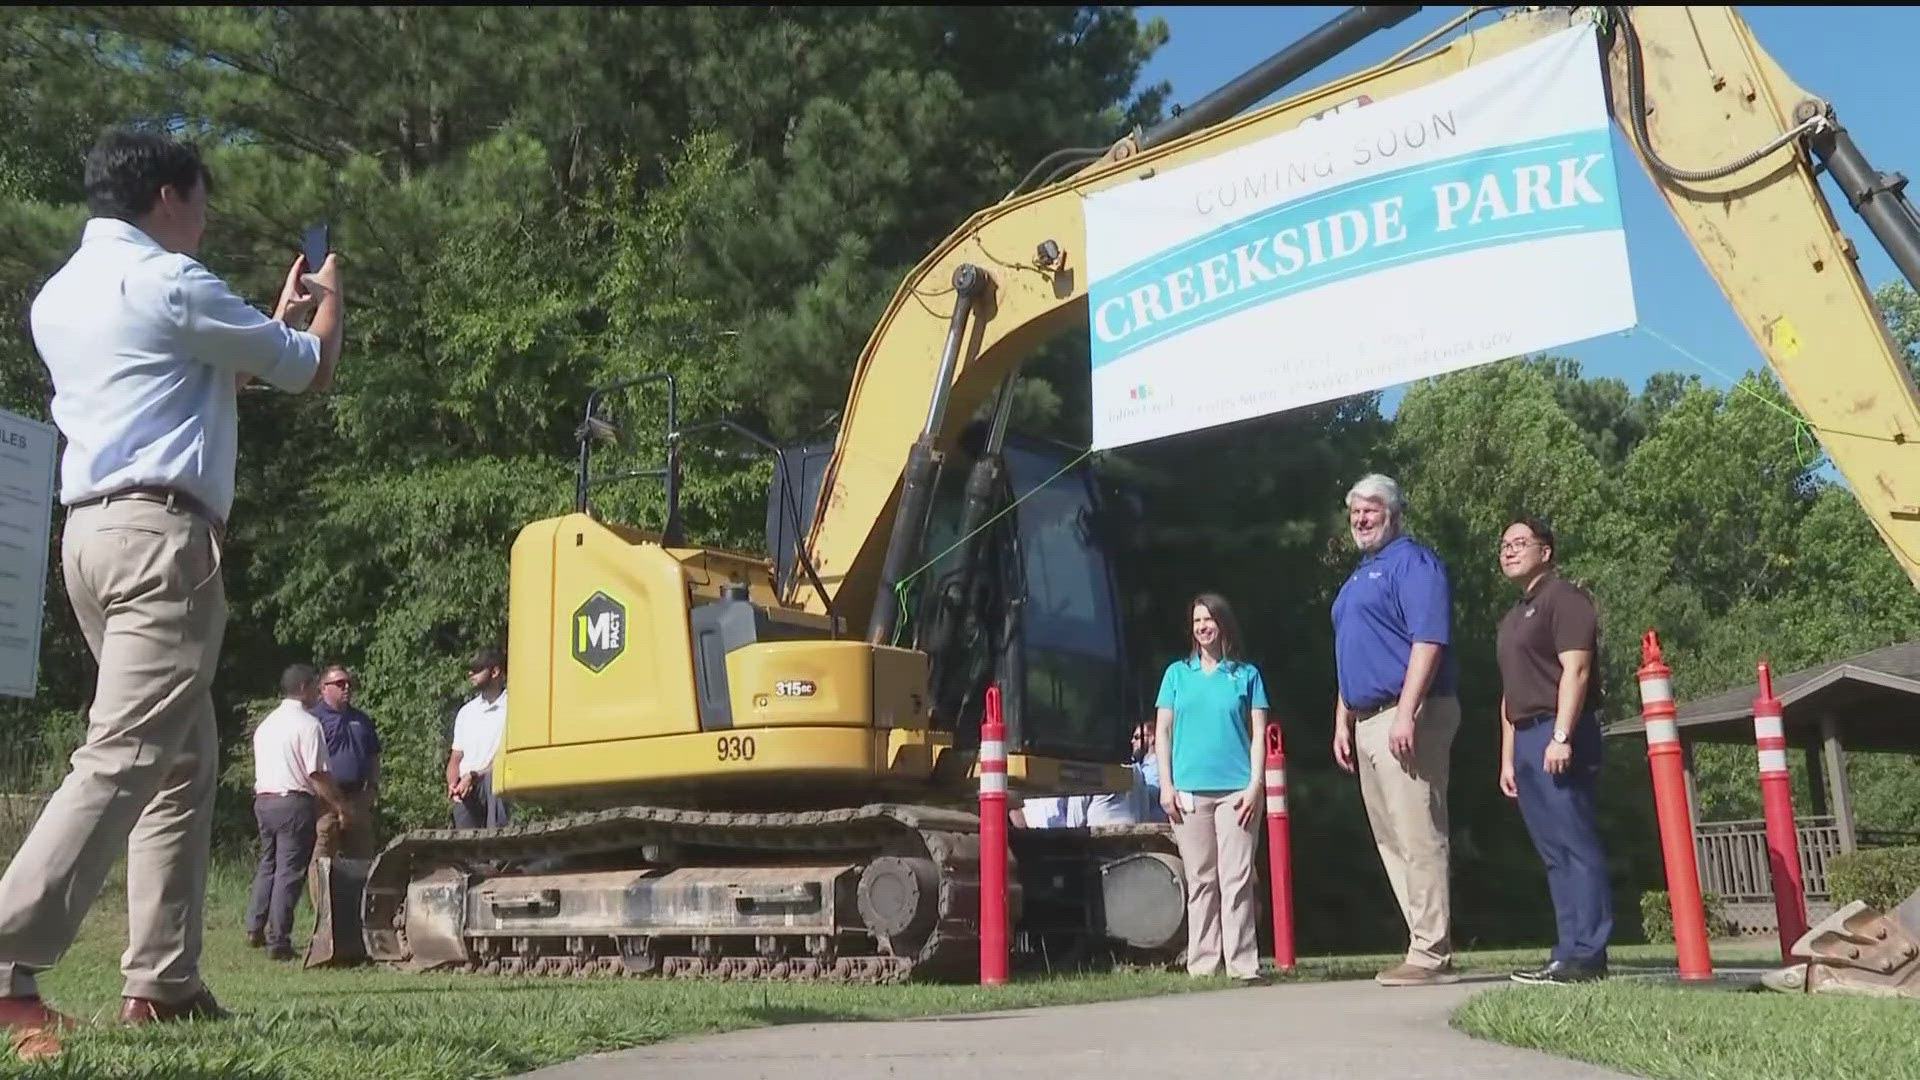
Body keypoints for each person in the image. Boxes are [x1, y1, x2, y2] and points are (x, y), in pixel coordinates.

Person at [0, 126, 344, 1055]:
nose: (205, 214)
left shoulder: (62, 292)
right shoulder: (169, 281)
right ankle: (6, 966)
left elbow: (200, 375)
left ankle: (165, 981)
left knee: (183, 754)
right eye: (200, 196)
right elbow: (308, 366)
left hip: (91, 538)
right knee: (122, 753)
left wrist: (263, 324)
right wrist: (326, 308)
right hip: (163, 542)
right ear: (166, 196)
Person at [1330, 474, 1462, 988]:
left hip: (1407, 713)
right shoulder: (1360, 575)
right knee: (1392, 840)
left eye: (1371, 510)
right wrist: (1341, 718)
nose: (1361, 520)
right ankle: (1425, 944)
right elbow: (1352, 653)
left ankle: (1430, 952)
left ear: (1394, 512)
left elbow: (1428, 641)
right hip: (1366, 719)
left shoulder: (1413, 563)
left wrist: (1407, 711)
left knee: (1418, 833)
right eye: (1355, 512)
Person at [1494, 517, 1613, 985]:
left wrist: (1561, 736)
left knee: (1576, 843)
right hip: (1525, 739)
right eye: (1504, 545)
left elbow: (1576, 672)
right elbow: (1510, 694)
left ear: (1546, 551)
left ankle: (1589, 952)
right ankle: (1566, 952)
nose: (1509, 551)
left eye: (1520, 543)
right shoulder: (1514, 615)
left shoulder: (1564, 599)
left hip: (1558, 733)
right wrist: (1508, 757)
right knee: (1553, 851)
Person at [1155, 593, 1268, 985]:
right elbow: (1163, 732)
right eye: (1196, 621)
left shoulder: (1247, 676)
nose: (1203, 627)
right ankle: (1203, 962)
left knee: (1236, 878)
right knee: (1201, 879)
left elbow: (1258, 735)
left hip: (1237, 791)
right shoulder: (1175, 675)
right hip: (1188, 792)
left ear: (1223, 624)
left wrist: (1255, 787)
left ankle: (1243, 964)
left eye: (1209, 619)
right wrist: (1165, 785)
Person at [245, 665, 354, 962]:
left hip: (264, 800)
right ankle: (278, 939)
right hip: (293, 802)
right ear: (305, 688)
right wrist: (339, 805)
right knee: (289, 871)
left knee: (268, 863)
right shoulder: (307, 725)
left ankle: (255, 924)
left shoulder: (267, 724)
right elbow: (317, 774)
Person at [311, 664, 381, 862]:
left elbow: (374, 754)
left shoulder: (361, 719)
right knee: (323, 855)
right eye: (340, 683)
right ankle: (321, 894)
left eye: (349, 683)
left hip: (357, 797)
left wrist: (373, 787)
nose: (347, 688)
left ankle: (357, 893)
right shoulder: (314, 720)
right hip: (325, 799)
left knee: (362, 856)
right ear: (324, 687)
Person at [448, 648, 511, 829]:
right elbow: (455, 758)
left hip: (492, 782)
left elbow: (506, 757)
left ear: (495, 671)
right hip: (467, 785)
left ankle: (497, 850)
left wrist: (475, 776)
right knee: (466, 845)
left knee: (496, 780)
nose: (470, 674)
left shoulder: (513, 706)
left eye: (476, 669)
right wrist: (453, 783)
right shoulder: (466, 712)